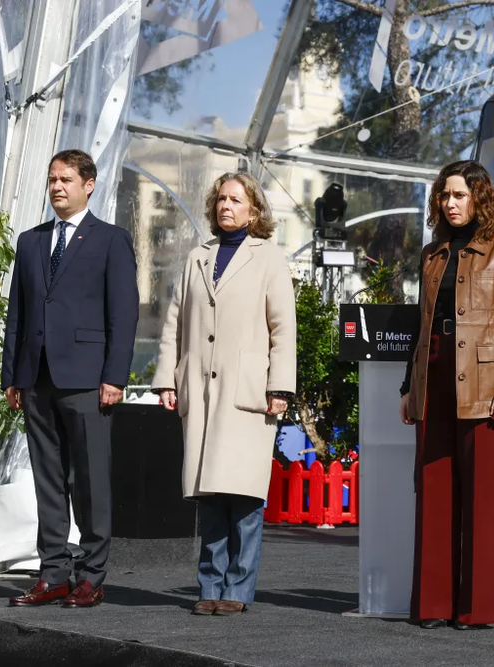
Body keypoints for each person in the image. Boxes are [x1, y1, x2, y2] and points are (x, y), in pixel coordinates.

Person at [152, 172, 296, 616]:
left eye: (236, 199)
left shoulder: (269, 258)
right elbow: (174, 321)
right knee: (210, 494)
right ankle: (208, 587)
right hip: (201, 390)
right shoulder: (198, 256)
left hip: (248, 392)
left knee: (246, 496)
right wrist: (166, 379)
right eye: (221, 199)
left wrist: (280, 386)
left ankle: (237, 589)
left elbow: (282, 328)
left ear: (254, 210)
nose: (226, 206)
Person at [1, 149, 139, 608]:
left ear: (89, 185)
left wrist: (114, 376)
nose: (57, 186)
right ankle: (54, 573)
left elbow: (123, 315)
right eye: (52, 179)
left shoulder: (111, 240)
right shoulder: (30, 241)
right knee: (48, 480)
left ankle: (91, 575)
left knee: (91, 481)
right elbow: (16, 315)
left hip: (88, 379)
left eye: (65, 179)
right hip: (36, 379)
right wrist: (12, 376)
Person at [399, 160, 494, 630]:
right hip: (433, 377)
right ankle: (433, 606)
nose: (450, 204)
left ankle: (475, 610)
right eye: (444, 196)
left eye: (458, 195)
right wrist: (406, 388)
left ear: (479, 198)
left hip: (486, 384)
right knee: (433, 493)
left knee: (478, 502)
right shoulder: (432, 254)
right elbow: (421, 322)